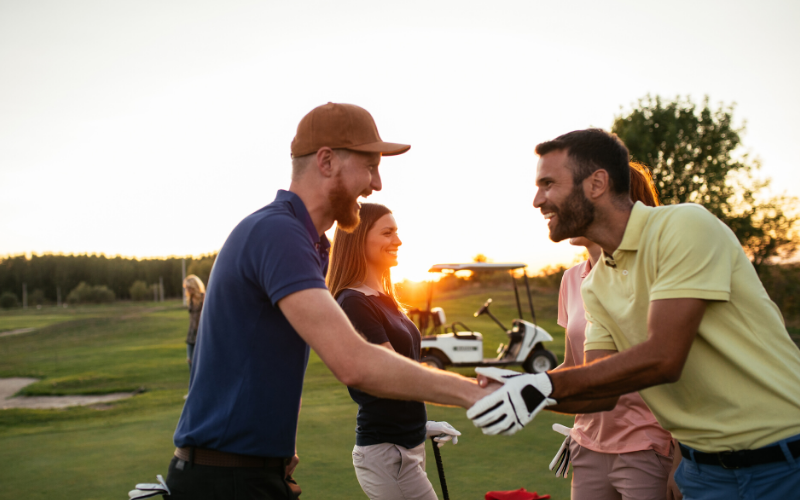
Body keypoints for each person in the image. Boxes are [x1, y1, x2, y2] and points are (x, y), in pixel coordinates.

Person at [164, 103, 496, 500]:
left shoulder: (306, 241)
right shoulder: (279, 233)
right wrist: (473, 394)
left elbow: (270, 363)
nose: (377, 183)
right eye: (370, 166)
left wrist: (279, 453)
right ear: (326, 161)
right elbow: (354, 362)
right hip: (225, 481)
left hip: (249, 472)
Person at [468, 128, 800, 499]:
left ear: (596, 184)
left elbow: (664, 358)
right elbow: (599, 392)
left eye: (548, 184)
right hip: (705, 473)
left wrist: (543, 386)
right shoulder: (595, 285)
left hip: (784, 460)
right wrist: (519, 389)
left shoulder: (684, 226)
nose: (536, 200)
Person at [550, 162, 676, 500]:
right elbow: (574, 366)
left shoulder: (656, 273)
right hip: (587, 444)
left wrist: (680, 457)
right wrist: (517, 387)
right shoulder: (571, 280)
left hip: (646, 445)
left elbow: (678, 369)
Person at [327, 202, 461, 500]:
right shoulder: (353, 303)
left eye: (397, 232)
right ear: (359, 239)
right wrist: (470, 392)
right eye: (387, 233)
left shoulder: (384, 299)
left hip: (405, 447)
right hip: (387, 454)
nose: (398, 241)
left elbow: (401, 380)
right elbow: (392, 376)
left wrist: (421, 425)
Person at [182, 274, 205, 369]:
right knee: (190, 362)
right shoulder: (190, 299)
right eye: (186, 287)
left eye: (188, 287)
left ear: (194, 287)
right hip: (191, 336)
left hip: (201, 336)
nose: (186, 289)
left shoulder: (203, 298)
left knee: (200, 365)